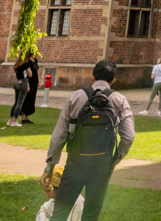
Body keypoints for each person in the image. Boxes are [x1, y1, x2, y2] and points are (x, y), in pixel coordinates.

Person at [41, 59, 135, 221]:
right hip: (101, 165)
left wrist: (50, 166)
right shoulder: (120, 100)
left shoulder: (75, 97)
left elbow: (58, 136)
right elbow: (128, 136)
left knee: (59, 214)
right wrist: (114, 159)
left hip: (75, 162)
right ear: (113, 80)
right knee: (91, 216)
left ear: (92, 76)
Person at [6, 53, 30, 127]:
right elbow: (30, 74)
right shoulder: (25, 64)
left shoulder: (17, 64)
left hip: (17, 82)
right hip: (23, 83)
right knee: (20, 103)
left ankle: (10, 120)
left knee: (16, 103)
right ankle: (15, 121)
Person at [19, 52, 40, 124]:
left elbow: (36, 71)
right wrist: (27, 85)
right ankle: (23, 118)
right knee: (26, 99)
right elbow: (26, 74)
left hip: (34, 82)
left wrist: (39, 80)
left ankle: (27, 117)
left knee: (31, 99)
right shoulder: (28, 61)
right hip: (29, 82)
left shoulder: (35, 60)